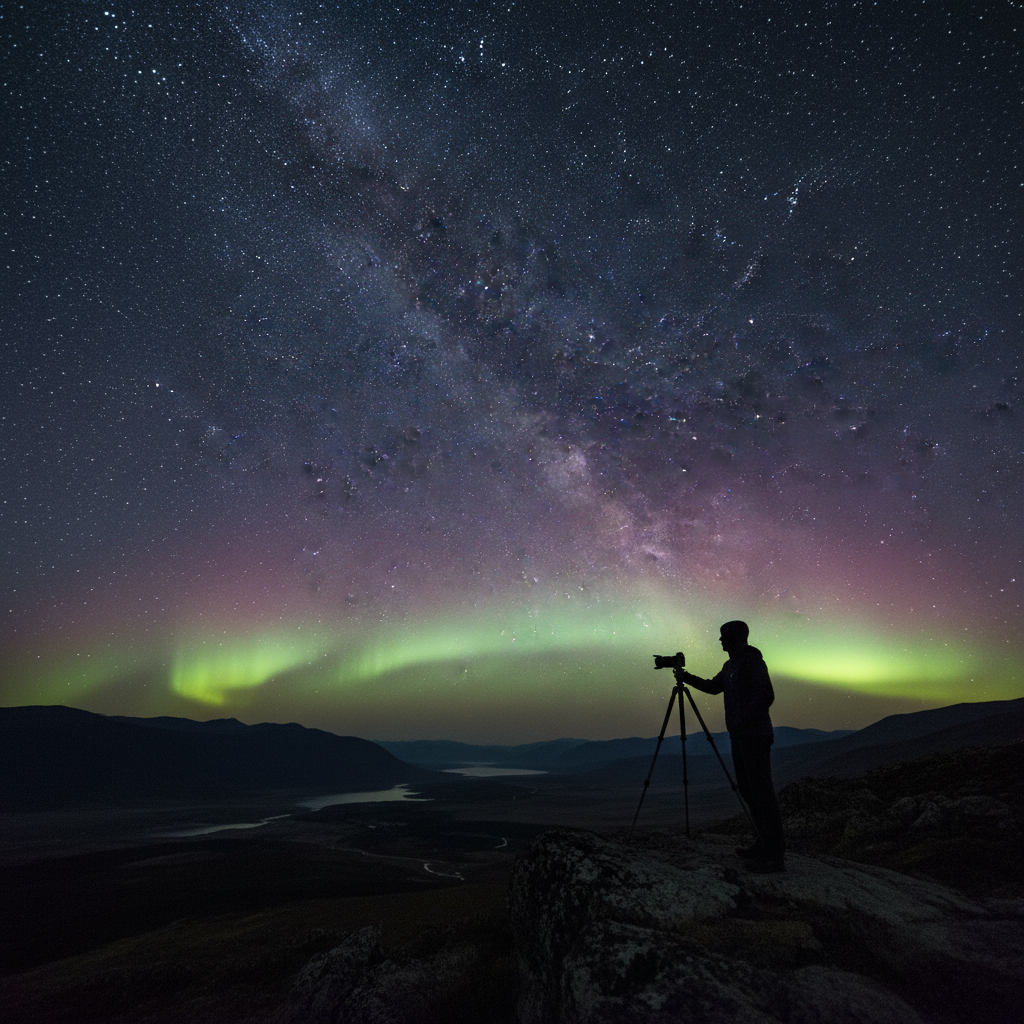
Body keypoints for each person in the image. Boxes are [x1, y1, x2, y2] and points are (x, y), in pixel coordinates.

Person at [674, 620, 785, 872]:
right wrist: (686, 677)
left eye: (723, 636)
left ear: (736, 636)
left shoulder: (752, 661)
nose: (720, 640)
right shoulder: (731, 665)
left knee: (762, 793)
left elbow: (765, 695)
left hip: (754, 736)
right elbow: (714, 687)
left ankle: (774, 856)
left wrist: (741, 718)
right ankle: (762, 843)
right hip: (740, 736)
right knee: (748, 791)